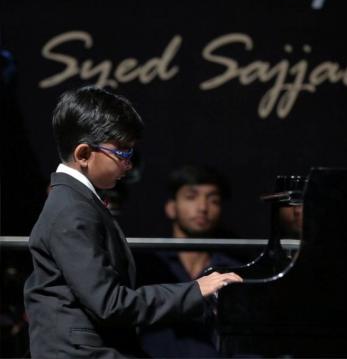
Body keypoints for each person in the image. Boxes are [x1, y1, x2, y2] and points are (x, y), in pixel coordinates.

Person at [23, 86, 242, 359]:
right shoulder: (71, 210)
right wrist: (197, 289)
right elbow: (110, 303)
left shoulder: (76, 202)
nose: (128, 165)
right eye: (123, 154)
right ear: (83, 154)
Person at [139, 165, 241, 358]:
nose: (203, 207)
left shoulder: (232, 268)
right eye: (191, 197)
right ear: (171, 208)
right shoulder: (147, 266)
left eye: (214, 200)